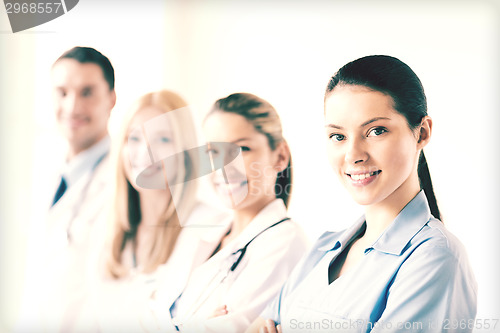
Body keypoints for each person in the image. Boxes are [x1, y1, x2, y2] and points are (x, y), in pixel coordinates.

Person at [249, 55, 477, 333]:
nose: (353, 155)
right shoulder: (323, 248)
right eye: (338, 136)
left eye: (375, 131)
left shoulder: (434, 257)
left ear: (422, 133)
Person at [140, 93, 310, 333]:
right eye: (213, 152)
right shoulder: (203, 228)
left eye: (242, 148)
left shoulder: (284, 244)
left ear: (280, 155)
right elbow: (147, 312)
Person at [79, 89, 227, 332]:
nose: (145, 152)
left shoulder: (211, 229)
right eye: (134, 138)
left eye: (163, 140)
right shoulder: (104, 231)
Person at [17, 46, 116, 333]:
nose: (72, 107)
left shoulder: (125, 184)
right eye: (62, 92)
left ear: (111, 99)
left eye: (87, 92)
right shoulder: (46, 170)